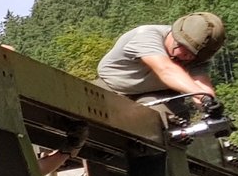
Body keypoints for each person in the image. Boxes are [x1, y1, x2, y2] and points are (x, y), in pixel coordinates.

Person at [95, 14, 226, 109]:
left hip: (158, 95)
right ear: (176, 38)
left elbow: (199, 86)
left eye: (194, 56)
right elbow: (166, 70)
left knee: (162, 121)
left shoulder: (199, 55)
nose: (188, 58)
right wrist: (203, 96)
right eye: (186, 52)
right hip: (110, 87)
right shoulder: (146, 36)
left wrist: (209, 105)